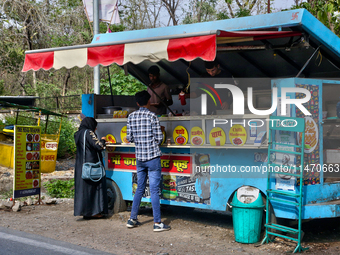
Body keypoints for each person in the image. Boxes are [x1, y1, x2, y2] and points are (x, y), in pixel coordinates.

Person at [126, 90, 170, 232]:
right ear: (149, 102)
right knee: (154, 190)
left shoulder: (131, 117)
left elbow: (130, 138)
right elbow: (158, 138)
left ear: (137, 103)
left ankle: (132, 219)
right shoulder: (153, 116)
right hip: (152, 158)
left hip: (140, 158)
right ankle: (157, 223)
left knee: (139, 188)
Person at [74, 117, 108, 219]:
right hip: (92, 166)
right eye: (95, 126)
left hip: (81, 165)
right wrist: (103, 140)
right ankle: (95, 212)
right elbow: (98, 146)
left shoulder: (78, 134)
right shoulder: (88, 132)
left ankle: (85, 212)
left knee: (83, 190)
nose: (95, 129)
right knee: (94, 188)